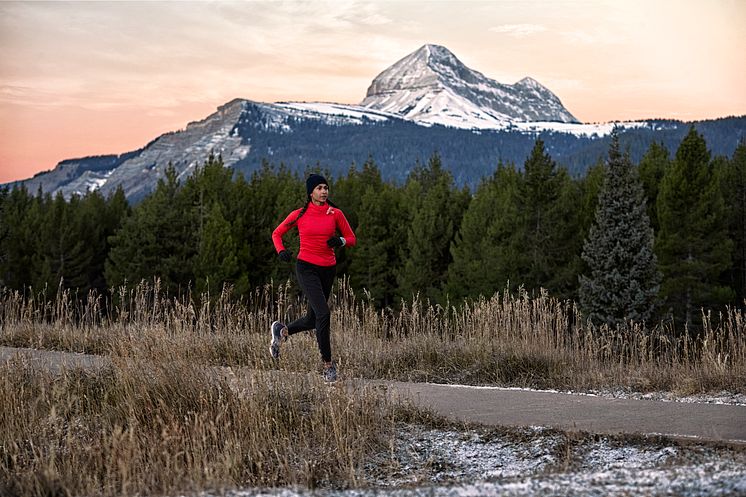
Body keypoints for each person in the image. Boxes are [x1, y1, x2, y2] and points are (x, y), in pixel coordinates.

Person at [270, 174, 356, 382]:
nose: (324, 191)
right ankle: (328, 366)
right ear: (311, 192)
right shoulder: (299, 214)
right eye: (319, 188)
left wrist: (340, 240)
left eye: (326, 187)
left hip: (328, 269)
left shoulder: (335, 213)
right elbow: (276, 233)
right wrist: (281, 251)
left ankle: (281, 331)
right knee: (323, 313)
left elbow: (352, 238)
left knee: (312, 319)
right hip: (306, 267)